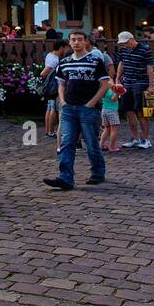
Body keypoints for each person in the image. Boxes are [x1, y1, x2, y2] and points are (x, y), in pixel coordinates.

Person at [43, 30, 110, 190]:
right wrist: (63, 101)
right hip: (68, 108)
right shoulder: (65, 62)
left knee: (91, 142)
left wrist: (92, 103)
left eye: (80, 39)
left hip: (87, 108)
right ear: (70, 42)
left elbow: (105, 84)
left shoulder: (95, 61)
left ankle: (98, 172)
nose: (76, 42)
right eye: (73, 40)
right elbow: (61, 83)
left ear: (85, 41)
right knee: (67, 143)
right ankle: (65, 177)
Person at [114, 30, 154, 149]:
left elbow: (149, 68)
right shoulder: (123, 50)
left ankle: (146, 139)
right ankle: (135, 138)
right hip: (128, 82)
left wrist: (151, 85)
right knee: (128, 110)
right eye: (123, 43)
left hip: (141, 81)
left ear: (132, 39)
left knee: (140, 111)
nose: (125, 45)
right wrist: (117, 79)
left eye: (126, 42)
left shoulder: (145, 49)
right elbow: (122, 63)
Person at [40, 37, 69, 141]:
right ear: (61, 47)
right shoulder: (54, 59)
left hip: (49, 86)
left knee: (49, 108)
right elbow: (43, 73)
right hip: (53, 86)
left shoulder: (49, 55)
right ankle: (51, 131)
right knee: (53, 109)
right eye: (65, 48)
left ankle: (48, 130)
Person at [100, 79, 124, 151]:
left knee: (106, 129)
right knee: (114, 130)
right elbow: (113, 99)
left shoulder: (104, 91)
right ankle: (112, 147)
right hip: (112, 111)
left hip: (104, 110)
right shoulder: (112, 91)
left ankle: (101, 145)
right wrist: (117, 93)